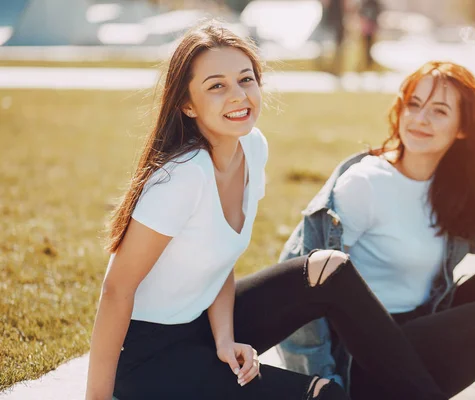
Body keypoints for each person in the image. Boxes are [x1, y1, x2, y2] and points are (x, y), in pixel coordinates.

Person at [84, 22, 455, 400]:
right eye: (216, 86)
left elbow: (219, 259)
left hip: (203, 322)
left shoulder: (251, 147)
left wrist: (225, 340)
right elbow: (117, 289)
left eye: (246, 79)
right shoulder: (182, 177)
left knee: (328, 269)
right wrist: (96, 397)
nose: (238, 95)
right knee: (324, 394)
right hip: (150, 358)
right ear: (187, 104)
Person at [276, 61, 475, 399]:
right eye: (413, 104)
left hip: (420, 334)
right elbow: (299, 286)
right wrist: (324, 385)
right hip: (366, 366)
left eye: (439, 111)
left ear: (463, 128)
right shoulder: (365, 185)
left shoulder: (447, 191)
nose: (420, 119)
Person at [357, 0, 381, 71]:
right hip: (367, 27)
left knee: (370, 45)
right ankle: (366, 62)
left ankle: (369, 62)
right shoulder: (368, 3)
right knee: (365, 45)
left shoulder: (372, 4)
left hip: (370, 27)